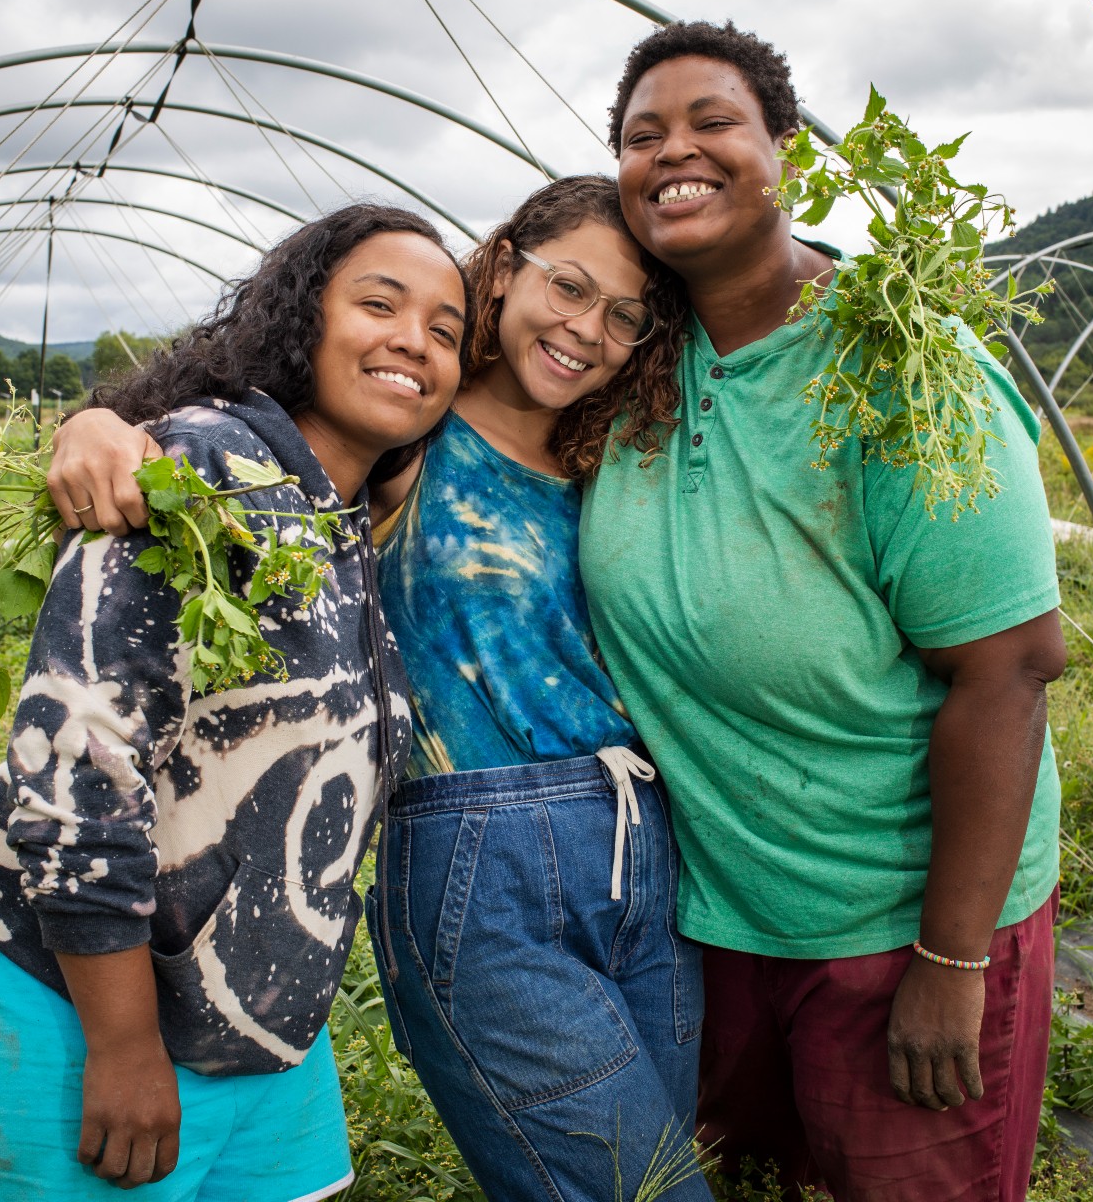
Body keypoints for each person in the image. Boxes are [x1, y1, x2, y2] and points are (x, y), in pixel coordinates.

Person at [46, 176, 710, 1202]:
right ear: (505, 270)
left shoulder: (620, 457)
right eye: (569, 286)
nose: (587, 328)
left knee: (662, 1160)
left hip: (640, 843)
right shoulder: (410, 440)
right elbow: (241, 441)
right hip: (484, 848)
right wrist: (101, 423)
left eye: (625, 316)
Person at [581, 22, 1067, 1201]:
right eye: (643, 136)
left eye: (711, 123)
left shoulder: (896, 364)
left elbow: (1007, 669)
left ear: (784, 152)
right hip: (715, 921)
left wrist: (951, 960)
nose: (674, 152)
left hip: (892, 920)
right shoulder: (626, 359)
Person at [0, 203, 465, 1202]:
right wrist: (124, 1046)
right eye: (379, 304)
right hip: (83, 1005)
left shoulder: (337, 512)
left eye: (444, 328)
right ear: (304, 317)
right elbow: (77, 766)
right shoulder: (203, 470)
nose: (413, 340)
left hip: (259, 1026)